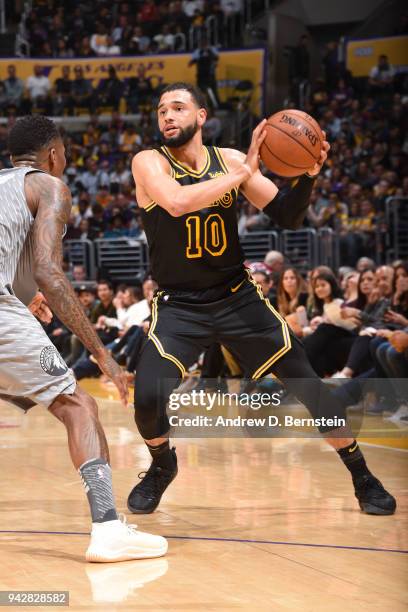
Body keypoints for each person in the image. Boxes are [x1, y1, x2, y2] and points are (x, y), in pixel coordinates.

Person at [127, 82, 395, 517]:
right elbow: (176, 203)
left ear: (201, 117)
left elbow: (287, 215)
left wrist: (308, 176)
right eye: (161, 111)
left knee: (308, 383)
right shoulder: (149, 162)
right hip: (179, 305)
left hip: (238, 298)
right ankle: (161, 466)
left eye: (178, 108)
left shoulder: (230, 159)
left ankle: (362, 475)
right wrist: (242, 172)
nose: (167, 117)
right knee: (147, 399)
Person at [1, 115, 167, 562]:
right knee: (79, 405)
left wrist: (22, 299)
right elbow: (49, 273)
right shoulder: (48, 186)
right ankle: (109, 529)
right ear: (53, 154)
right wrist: (103, 355)